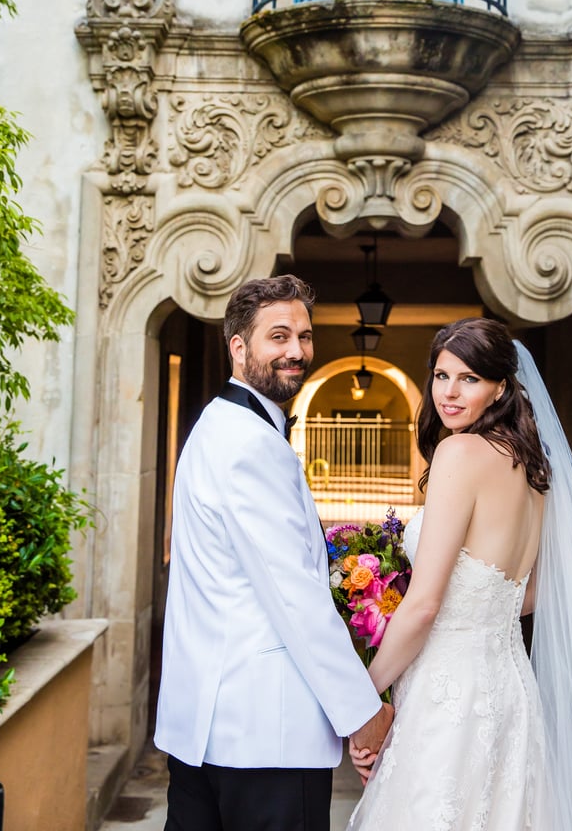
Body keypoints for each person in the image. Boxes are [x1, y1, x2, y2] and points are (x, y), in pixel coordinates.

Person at [347, 317, 572, 831]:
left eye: (469, 378)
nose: (449, 392)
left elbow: (424, 605)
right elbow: (531, 592)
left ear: (500, 387)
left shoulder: (459, 453)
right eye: (442, 375)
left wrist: (364, 697)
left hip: (450, 698)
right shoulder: (534, 467)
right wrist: (476, 610)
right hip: (511, 691)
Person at [154, 274, 394, 831]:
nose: (297, 351)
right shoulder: (250, 444)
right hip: (264, 736)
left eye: (305, 337)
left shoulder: (217, 426)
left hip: (205, 731)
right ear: (239, 347)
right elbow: (293, 597)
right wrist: (362, 713)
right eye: (279, 336)